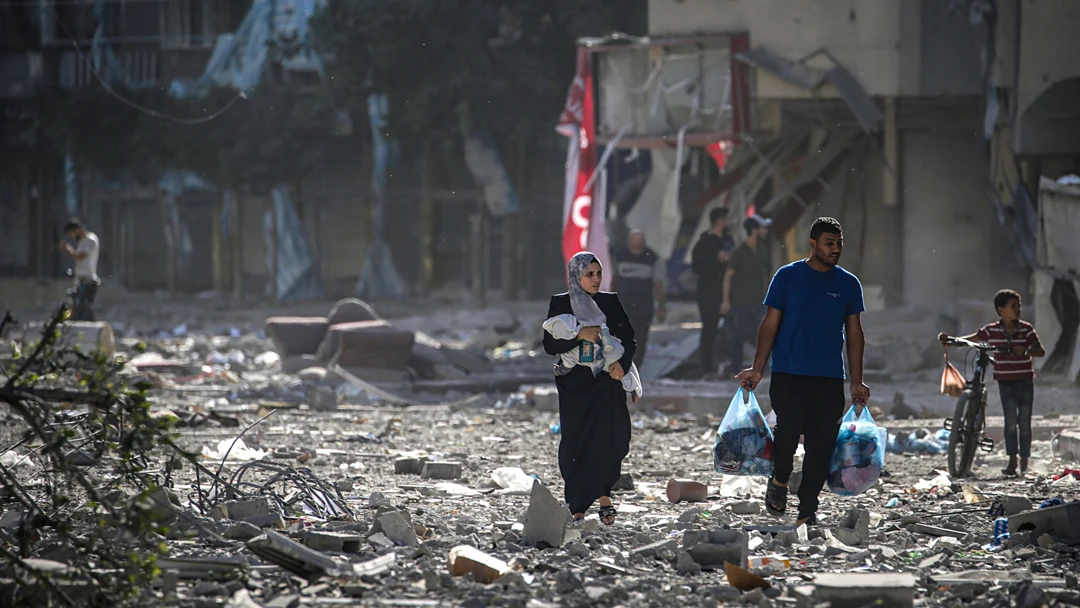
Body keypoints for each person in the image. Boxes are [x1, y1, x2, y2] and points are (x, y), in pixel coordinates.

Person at [735, 217, 869, 526]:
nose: (835, 249)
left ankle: (808, 509)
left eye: (839, 243)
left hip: (828, 378)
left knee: (820, 448)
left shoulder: (848, 283)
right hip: (788, 373)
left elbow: (855, 334)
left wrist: (857, 380)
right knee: (788, 432)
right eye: (829, 243)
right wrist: (757, 368)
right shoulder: (788, 276)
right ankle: (780, 480)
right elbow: (770, 323)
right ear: (813, 244)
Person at [543, 252, 635, 525]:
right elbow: (550, 346)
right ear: (576, 276)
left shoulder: (610, 301)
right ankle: (579, 504)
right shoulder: (561, 303)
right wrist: (578, 336)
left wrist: (623, 364)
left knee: (613, 438)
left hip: (607, 381)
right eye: (589, 274)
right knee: (577, 441)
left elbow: (629, 339)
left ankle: (604, 492)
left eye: (598, 274)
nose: (595, 279)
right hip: (576, 385)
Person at [938, 289, 1045, 477]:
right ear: (1001, 310)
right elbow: (973, 339)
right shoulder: (992, 330)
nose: (1018, 309)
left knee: (1024, 423)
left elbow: (1040, 351)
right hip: (1005, 382)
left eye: (1018, 306)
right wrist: (953, 340)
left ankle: (1024, 462)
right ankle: (1012, 463)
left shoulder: (1026, 329)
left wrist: (1026, 351)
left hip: (1025, 382)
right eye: (1013, 306)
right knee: (1011, 422)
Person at [723, 215, 772, 373]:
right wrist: (725, 300)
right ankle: (735, 369)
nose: (765, 231)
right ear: (753, 230)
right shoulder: (738, 252)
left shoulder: (763, 250)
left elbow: (765, 274)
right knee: (739, 337)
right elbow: (728, 276)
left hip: (759, 302)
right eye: (762, 228)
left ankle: (762, 369)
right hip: (741, 302)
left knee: (765, 336)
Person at [612, 230, 666, 368]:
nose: (636, 251)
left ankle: (635, 367)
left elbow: (658, 283)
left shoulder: (652, 258)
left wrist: (661, 306)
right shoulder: (620, 256)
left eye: (639, 247)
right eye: (633, 247)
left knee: (640, 339)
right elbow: (614, 279)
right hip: (623, 305)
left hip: (643, 306)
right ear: (628, 244)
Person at [692, 207, 736, 378]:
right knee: (709, 330)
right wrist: (715, 259)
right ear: (719, 221)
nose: (729, 223)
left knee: (733, 330)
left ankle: (730, 365)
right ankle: (707, 368)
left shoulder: (728, 240)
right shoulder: (704, 243)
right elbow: (697, 267)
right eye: (726, 219)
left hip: (728, 292)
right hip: (708, 293)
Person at [58, 219, 100, 322]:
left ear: (77, 230)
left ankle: (94, 328)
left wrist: (67, 249)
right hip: (79, 282)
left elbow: (79, 257)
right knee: (74, 308)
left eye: (71, 234)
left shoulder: (90, 240)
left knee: (85, 309)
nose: (72, 237)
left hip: (88, 281)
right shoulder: (83, 241)